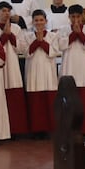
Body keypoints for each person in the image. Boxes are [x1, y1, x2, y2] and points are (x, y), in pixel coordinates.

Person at [58, 4, 85, 136]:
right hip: (69, 69)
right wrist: (72, 35)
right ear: (69, 17)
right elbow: (60, 45)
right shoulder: (63, 29)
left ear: (82, 16)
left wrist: (80, 34)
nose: (75, 19)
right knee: (69, 103)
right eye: (73, 16)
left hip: (84, 71)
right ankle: (70, 130)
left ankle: (84, 130)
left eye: (78, 16)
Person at [0, 1, 28, 137]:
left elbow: (22, 48)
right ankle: (0, 130)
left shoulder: (17, 29)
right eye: (3, 11)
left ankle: (16, 130)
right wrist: (4, 35)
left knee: (14, 93)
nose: (6, 13)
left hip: (12, 63)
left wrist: (10, 35)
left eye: (8, 11)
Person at [24, 9, 59, 137]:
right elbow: (26, 52)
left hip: (47, 71)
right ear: (32, 22)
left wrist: (42, 41)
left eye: (41, 20)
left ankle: (49, 128)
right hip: (33, 70)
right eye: (36, 20)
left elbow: (54, 52)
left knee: (49, 100)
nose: (39, 23)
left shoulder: (52, 36)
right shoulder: (27, 36)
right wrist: (36, 41)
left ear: (46, 21)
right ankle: (36, 129)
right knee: (35, 102)